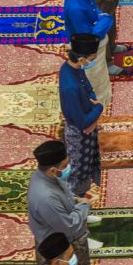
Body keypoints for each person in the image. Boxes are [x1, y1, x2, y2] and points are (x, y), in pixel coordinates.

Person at [27, 140, 101, 265]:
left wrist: (75, 200)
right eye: (65, 165)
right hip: (61, 245)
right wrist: (84, 206)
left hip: (62, 233)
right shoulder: (46, 197)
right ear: (53, 170)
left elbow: (65, 194)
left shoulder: (45, 176)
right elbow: (70, 226)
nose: (68, 168)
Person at [62, 0, 117, 105]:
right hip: (89, 49)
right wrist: (107, 19)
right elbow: (90, 36)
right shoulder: (75, 8)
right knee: (95, 80)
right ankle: (99, 106)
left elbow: (96, 10)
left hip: (94, 38)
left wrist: (103, 18)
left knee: (101, 75)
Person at [59, 34, 104, 196]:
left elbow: (88, 87)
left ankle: (81, 208)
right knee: (79, 172)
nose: (93, 61)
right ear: (82, 58)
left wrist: (93, 114)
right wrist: (98, 108)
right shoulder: (70, 88)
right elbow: (82, 122)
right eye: (91, 58)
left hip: (86, 124)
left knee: (87, 164)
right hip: (79, 135)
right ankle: (76, 210)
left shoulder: (72, 68)